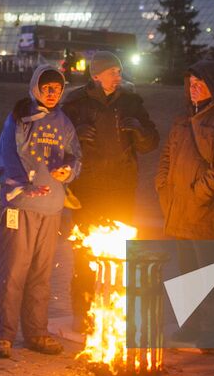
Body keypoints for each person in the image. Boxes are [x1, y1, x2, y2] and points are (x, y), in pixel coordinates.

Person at [0, 65, 81, 359]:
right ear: (36, 88)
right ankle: (2, 335)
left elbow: (75, 155)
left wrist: (68, 170)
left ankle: (36, 332)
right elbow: (4, 154)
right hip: (21, 207)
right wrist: (22, 186)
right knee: (12, 271)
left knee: (41, 274)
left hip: (51, 208)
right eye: (47, 88)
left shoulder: (64, 122)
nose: (52, 94)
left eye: (57, 88)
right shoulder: (20, 118)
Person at [62, 50, 159, 333]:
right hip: (87, 190)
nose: (119, 75)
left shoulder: (130, 102)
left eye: (119, 71)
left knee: (118, 253)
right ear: (96, 75)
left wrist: (140, 131)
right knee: (85, 253)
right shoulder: (76, 102)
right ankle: (83, 311)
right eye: (113, 71)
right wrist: (75, 133)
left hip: (120, 189)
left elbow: (150, 142)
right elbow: (57, 142)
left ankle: (114, 309)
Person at [155, 59, 214, 349]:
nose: (194, 89)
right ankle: (191, 324)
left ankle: (211, 330)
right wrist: (163, 187)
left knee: (209, 272)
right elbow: (167, 156)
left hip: (207, 212)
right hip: (179, 208)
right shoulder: (182, 119)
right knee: (186, 271)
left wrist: (198, 194)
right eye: (190, 84)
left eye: (200, 84)